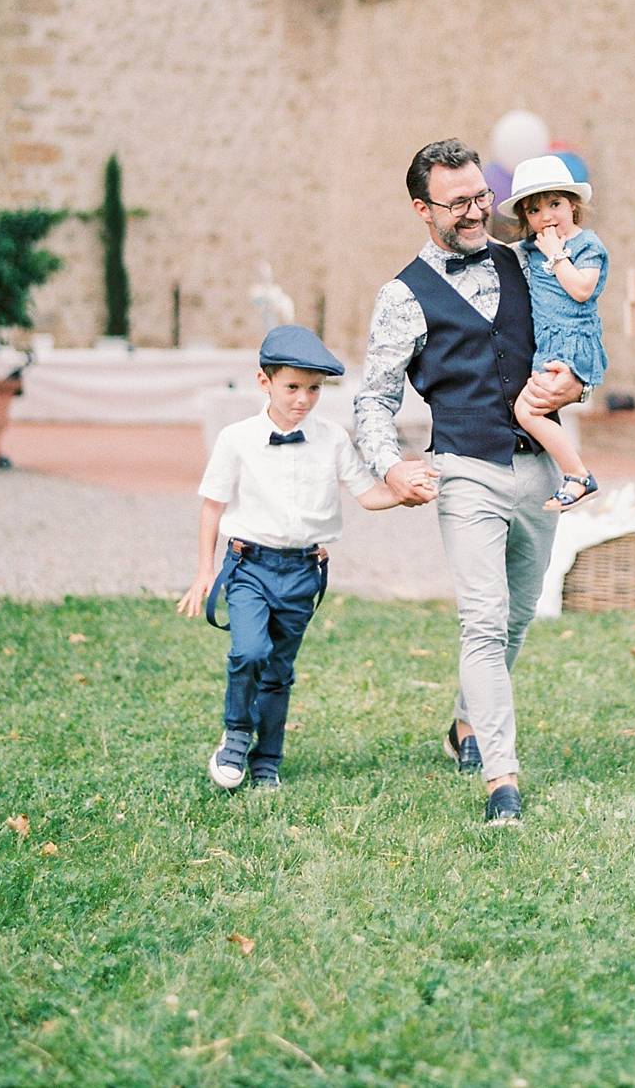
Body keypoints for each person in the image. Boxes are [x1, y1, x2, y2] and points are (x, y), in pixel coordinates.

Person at [355, 138, 585, 825]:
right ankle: (501, 778)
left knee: (515, 617)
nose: (477, 211)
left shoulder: (524, 263)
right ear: (423, 209)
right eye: (459, 203)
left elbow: (570, 337)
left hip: (539, 468)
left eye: (482, 195)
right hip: (464, 470)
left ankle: (463, 722)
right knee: (482, 619)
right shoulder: (402, 295)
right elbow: (374, 397)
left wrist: (576, 382)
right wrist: (390, 464)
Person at [177, 324, 403, 791]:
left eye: (314, 389)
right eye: (292, 387)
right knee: (249, 651)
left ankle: (267, 759)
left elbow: (367, 494)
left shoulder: (333, 439)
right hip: (249, 567)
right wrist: (204, 571)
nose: (303, 399)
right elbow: (213, 506)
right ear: (265, 382)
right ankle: (237, 732)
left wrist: (406, 491)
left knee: (279, 670)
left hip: (302, 571)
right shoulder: (236, 438)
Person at [501, 154, 609, 511]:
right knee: (535, 411)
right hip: (546, 347)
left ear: (573, 205)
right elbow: (500, 253)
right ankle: (566, 476)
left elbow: (581, 290)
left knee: (527, 411)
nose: (546, 217)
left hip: (574, 346)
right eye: (534, 211)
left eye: (555, 204)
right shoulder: (532, 249)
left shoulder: (586, 246)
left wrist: (557, 254)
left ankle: (577, 475)